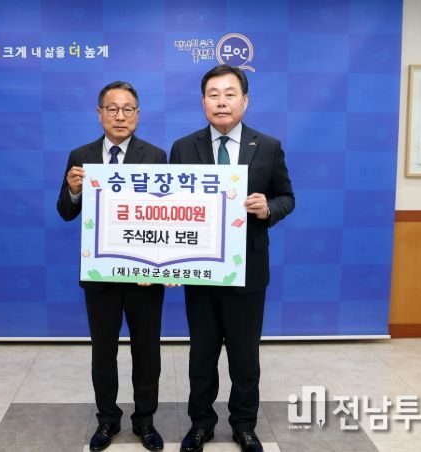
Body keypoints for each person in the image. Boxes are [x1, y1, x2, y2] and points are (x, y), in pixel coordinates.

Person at [170, 65, 295, 452]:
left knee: (244, 356)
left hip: (248, 270)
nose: (221, 101)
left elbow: (287, 197)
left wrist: (267, 208)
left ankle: (244, 425)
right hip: (200, 269)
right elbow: (171, 207)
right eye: (213, 94)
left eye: (229, 94)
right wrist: (169, 259)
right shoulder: (183, 147)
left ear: (245, 100)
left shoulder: (268, 146)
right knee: (201, 355)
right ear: (203, 102)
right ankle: (200, 424)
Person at [57, 81, 166, 452]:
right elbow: (65, 211)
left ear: (138, 114)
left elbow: (165, 215)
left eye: (128, 109)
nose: (120, 116)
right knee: (103, 352)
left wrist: (160, 267)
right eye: (112, 108)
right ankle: (107, 420)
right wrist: (74, 191)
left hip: (143, 275)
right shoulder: (81, 155)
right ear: (99, 113)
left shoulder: (156, 156)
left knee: (146, 351)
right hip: (100, 274)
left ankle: (145, 421)